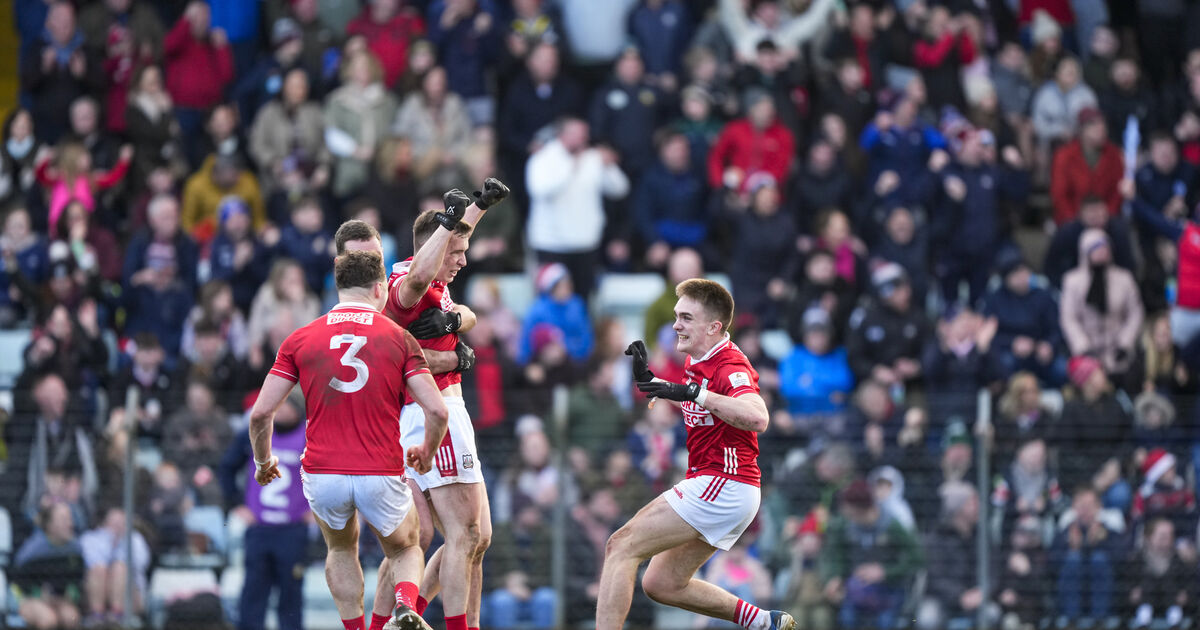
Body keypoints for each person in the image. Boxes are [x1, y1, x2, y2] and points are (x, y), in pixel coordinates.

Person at [338, 178, 509, 630]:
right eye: (455, 252)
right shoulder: (407, 283)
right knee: (464, 535)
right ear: (434, 248)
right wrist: (454, 355)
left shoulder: (435, 285)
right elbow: (406, 343)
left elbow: (451, 272)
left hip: (424, 416)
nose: (463, 260)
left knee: (449, 538)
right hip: (435, 414)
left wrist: (479, 208)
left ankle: (393, 619)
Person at [249, 249, 449, 630]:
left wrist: (264, 461)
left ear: (339, 288)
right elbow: (437, 410)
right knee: (406, 546)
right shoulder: (399, 338)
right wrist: (427, 449)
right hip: (379, 469)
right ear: (379, 289)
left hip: (323, 472)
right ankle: (406, 607)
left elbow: (260, 413)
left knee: (340, 548)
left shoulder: (300, 339)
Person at [596, 278, 795, 630]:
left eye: (686, 317)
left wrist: (692, 393)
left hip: (725, 483)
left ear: (713, 327)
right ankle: (765, 622)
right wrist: (660, 386)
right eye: (676, 316)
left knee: (620, 546)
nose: (676, 325)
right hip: (728, 489)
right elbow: (697, 399)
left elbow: (758, 416)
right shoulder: (699, 360)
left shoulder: (728, 365)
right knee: (660, 584)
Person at [220, 388, 309, 630]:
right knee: (253, 592)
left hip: (292, 529)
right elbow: (226, 468)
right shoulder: (254, 432)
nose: (280, 410)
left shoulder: (309, 436)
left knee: (291, 595)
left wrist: (317, 509)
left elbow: (329, 473)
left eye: (286, 405)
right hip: (259, 529)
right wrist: (237, 504)